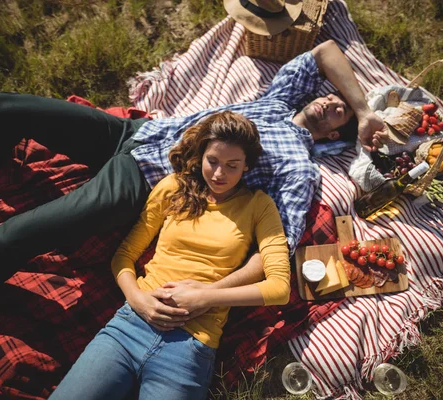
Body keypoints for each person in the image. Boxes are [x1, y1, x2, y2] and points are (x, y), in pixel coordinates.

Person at [0, 40, 387, 322]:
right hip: (134, 134)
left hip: (142, 180)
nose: (333, 102)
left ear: (332, 136)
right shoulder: (278, 100)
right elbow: (327, 51)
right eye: (333, 97)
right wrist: (363, 109)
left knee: (16, 236)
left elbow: (278, 249)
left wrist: (213, 293)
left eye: (340, 113)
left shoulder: (298, 167)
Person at [48, 110, 291, 399]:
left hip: (190, 347)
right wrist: (137, 299)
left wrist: (207, 296)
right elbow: (124, 255)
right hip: (129, 327)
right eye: (212, 161)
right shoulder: (173, 187)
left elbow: (279, 288)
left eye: (232, 166)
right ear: (201, 155)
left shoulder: (259, 206)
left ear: (247, 166)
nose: (218, 174)